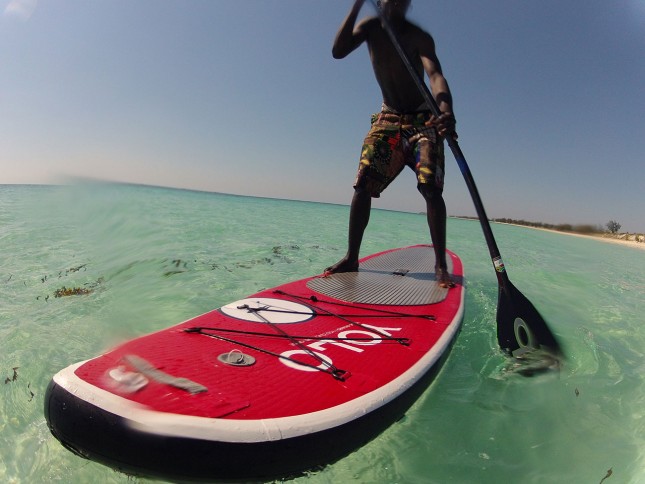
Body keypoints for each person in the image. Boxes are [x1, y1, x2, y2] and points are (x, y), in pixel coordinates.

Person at [325, 0, 457, 288]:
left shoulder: (418, 36)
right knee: (363, 184)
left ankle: (439, 265)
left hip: (424, 119)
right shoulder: (370, 28)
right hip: (389, 116)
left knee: (430, 188)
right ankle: (352, 257)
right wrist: (356, 6)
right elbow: (338, 51)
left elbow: (435, 76)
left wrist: (445, 110)